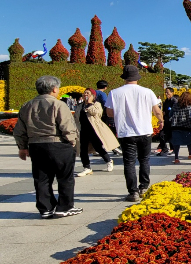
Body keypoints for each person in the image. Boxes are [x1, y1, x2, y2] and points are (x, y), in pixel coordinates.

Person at [14, 76, 82, 218]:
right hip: (58, 144)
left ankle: (46, 208)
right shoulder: (58, 105)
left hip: (36, 145)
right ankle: (65, 207)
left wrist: (22, 146)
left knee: (42, 178)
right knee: (65, 177)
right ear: (54, 89)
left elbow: (19, 130)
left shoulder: (27, 105)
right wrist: (72, 141)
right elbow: (66, 126)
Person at [106, 65, 163, 202]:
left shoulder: (114, 93)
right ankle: (144, 187)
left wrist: (121, 112)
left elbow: (109, 113)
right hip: (145, 131)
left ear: (124, 78)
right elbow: (156, 110)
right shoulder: (147, 92)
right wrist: (161, 121)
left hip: (126, 132)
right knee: (144, 160)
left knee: (129, 162)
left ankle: (133, 192)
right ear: (137, 77)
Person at [75, 88, 119, 177]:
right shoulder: (80, 106)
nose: (85, 95)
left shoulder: (96, 104)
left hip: (94, 130)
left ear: (93, 96)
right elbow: (76, 117)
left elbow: (97, 113)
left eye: (88, 93)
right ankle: (86, 168)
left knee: (98, 147)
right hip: (82, 130)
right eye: (84, 93)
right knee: (83, 150)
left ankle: (108, 160)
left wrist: (89, 104)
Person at [169, 91, 191, 163]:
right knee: (188, 141)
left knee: (176, 143)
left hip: (176, 127)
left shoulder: (175, 105)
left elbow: (170, 114)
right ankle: (190, 154)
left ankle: (176, 158)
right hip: (187, 127)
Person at [96, 80, 122, 155]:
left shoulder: (93, 93)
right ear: (105, 87)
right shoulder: (102, 94)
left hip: (94, 115)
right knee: (110, 131)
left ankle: (99, 148)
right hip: (103, 115)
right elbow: (106, 104)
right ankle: (114, 147)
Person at [156, 87, 178, 156]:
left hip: (172, 122)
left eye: (167, 92)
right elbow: (164, 112)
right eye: (165, 92)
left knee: (171, 136)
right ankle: (164, 149)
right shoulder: (166, 102)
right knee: (161, 135)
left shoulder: (174, 101)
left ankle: (173, 149)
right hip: (166, 121)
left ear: (172, 93)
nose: (166, 94)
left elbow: (176, 112)